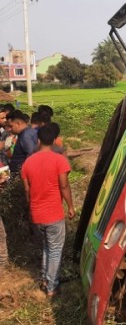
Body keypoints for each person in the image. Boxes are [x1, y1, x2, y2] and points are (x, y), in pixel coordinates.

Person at [21, 123, 75, 296]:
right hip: (53, 214)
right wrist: (71, 206)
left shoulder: (28, 162)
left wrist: (31, 210)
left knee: (46, 247)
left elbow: (27, 190)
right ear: (53, 141)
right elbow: (64, 186)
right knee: (55, 249)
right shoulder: (59, 160)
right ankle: (52, 286)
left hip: (37, 214)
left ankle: (45, 279)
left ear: (38, 140)